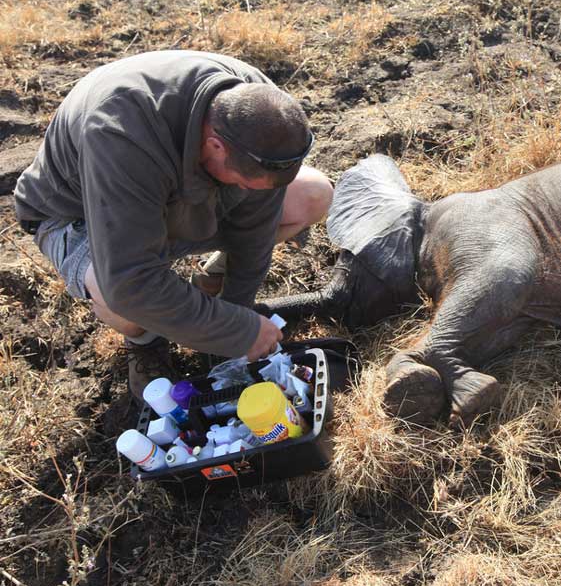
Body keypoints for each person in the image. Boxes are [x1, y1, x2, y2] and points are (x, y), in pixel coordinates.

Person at [13, 50, 333, 399]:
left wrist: (236, 311)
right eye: (242, 182)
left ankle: (210, 285)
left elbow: (257, 222)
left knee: (313, 194)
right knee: (122, 299)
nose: (248, 192)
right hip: (81, 216)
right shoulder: (121, 132)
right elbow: (129, 281)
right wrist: (238, 330)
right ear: (215, 145)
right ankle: (145, 343)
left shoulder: (261, 106)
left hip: (174, 199)